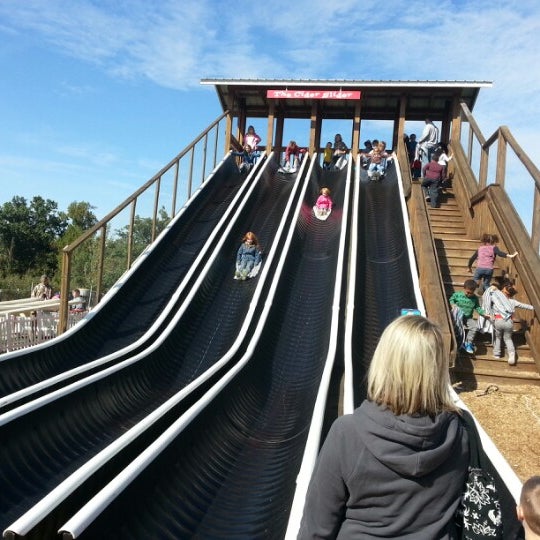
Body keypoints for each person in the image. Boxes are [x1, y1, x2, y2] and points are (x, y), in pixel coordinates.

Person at [298, 315, 469, 539]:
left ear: (383, 361)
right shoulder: (459, 430)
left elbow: (316, 527)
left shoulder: (347, 433)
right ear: (437, 370)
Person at [483, 279, 534, 365]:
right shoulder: (513, 301)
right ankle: (511, 355)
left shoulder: (497, 300)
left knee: (498, 337)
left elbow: (488, 299)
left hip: (498, 321)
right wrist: (533, 307)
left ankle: (497, 354)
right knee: (508, 338)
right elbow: (525, 306)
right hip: (508, 322)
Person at [449, 279, 487, 354]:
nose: (469, 294)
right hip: (457, 317)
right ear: (464, 288)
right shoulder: (458, 295)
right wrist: (453, 304)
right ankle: (456, 344)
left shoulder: (475, 298)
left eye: (471, 293)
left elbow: (477, 307)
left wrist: (484, 313)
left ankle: (468, 343)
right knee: (455, 329)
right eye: (467, 292)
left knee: (474, 326)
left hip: (467, 318)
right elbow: (451, 299)